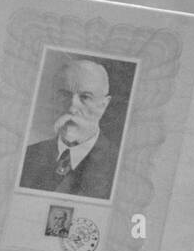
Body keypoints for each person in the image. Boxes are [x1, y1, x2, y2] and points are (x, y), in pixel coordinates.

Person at [19, 59, 119, 199]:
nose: (72, 108)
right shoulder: (27, 156)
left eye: (85, 97)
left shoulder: (119, 166)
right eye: (65, 95)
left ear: (103, 104)